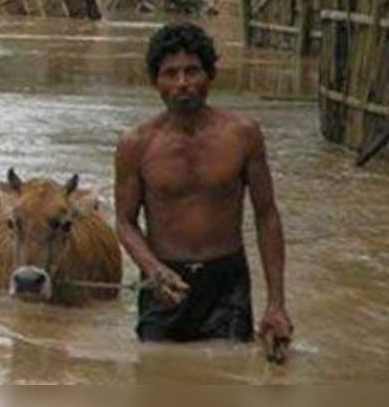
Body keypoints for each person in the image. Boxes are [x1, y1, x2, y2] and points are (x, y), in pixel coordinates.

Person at [114, 23, 292, 358]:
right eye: (170, 73)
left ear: (210, 75)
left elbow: (267, 216)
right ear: (155, 82)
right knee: (156, 377)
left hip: (226, 283)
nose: (182, 82)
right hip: (163, 282)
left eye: (192, 71)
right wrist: (151, 267)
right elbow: (125, 222)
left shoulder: (243, 135)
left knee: (228, 376)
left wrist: (276, 305)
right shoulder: (135, 144)